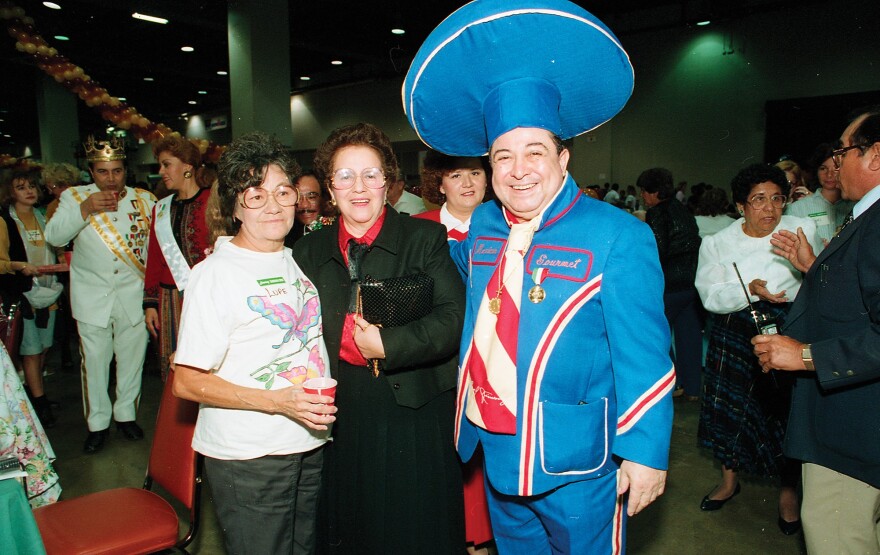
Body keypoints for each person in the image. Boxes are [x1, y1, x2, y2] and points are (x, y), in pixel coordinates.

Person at [402, 2, 674, 552]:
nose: (518, 169)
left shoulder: (617, 236)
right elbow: (468, 289)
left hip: (575, 460)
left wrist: (645, 452)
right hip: (495, 445)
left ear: (564, 157)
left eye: (534, 152)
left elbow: (645, 352)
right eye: (502, 156)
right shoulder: (482, 224)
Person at [292, 122, 466, 554]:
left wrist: (390, 345)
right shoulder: (308, 252)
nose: (359, 187)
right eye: (345, 176)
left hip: (415, 410)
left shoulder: (422, 239)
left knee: (413, 526)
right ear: (330, 188)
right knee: (354, 525)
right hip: (342, 410)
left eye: (371, 174)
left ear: (387, 182)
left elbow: (453, 318)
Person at [172, 132, 335, 554]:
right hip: (250, 456)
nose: (275, 205)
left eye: (283, 192)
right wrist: (278, 402)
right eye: (255, 195)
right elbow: (186, 381)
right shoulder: (216, 274)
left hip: (306, 442)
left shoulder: (292, 260)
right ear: (234, 206)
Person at [754, 109, 880, 553]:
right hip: (854, 424)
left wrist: (804, 356)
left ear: (876, 156)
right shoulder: (865, 215)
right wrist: (812, 266)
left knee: (839, 533)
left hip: (853, 432)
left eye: (843, 151)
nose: (834, 162)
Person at [694, 163, 820, 535]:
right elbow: (710, 295)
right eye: (759, 200)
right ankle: (729, 481)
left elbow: (815, 280)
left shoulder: (801, 230)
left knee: (782, 412)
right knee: (729, 410)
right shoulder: (718, 242)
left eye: (777, 199)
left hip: (787, 330)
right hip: (734, 331)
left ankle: (787, 494)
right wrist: (751, 288)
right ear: (740, 206)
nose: (770, 209)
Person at [45, 136, 156, 454]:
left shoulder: (143, 200)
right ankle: (98, 424)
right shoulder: (74, 197)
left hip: (132, 294)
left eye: (117, 171)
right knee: (94, 362)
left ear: (126, 170)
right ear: (91, 172)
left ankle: (126, 415)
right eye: (103, 172)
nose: (111, 179)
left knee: (132, 360)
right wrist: (84, 210)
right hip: (92, 296)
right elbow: (54, 236)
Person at [415, 150, 494, 552]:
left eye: (475, 173)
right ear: (438, 183)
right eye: (456, 174)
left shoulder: (509, 227)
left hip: (493, 362)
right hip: (436, 361)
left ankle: (483, 536)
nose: (467, 183)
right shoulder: (415, 229)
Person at [142, 136, 213, 380]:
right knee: (174, 367)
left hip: (206, 296)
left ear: (187, 167)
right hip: (169, 300)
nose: (161, 171)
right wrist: (150, 303)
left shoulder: (212, 202)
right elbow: (154, 257)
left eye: (167, 164)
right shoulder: (160, 208)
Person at [0, 171, 64, 427]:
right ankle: (39, 403)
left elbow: (54, 247)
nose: (29, 191)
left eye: (31, 186)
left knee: (44, 349)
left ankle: (37, 395)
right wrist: (18, 265)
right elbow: (2, 262)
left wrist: (60, 258)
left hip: (49, 292)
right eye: (20, 186)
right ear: (10, 192)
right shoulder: (4, 221)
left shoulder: (44, 217)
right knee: (31, 351)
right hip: (23, 295)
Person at [638, 167, 702, 401]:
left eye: (644, 191)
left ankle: (673, 384)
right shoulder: (682, 209)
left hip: (667, 286)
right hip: (690, 284)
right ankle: (693, 388)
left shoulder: (657, 214)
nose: (643, 196)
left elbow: (657, 250)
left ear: (654, 192)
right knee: (690, 339)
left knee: (657, 335)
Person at [784, 142, 854, 250]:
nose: (829, 175)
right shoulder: (797, 208)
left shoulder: (855, 207)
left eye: (835, 168)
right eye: (823, 168)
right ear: (816, 171)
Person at [284, 172, 335, 247]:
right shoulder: (284, 236)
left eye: (312, 197)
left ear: (324, 198)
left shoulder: (337, 233)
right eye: (298, 198)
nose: (305, 205)